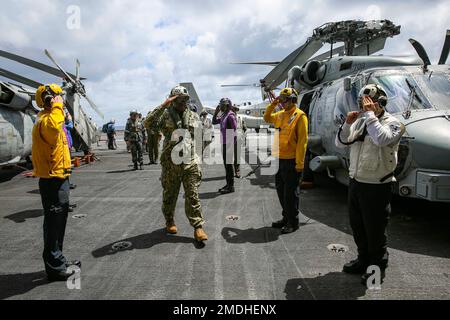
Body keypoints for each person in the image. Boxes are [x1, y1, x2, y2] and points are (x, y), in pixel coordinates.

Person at [335, 84, 404, 285]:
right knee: (358, 227)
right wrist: (348, 123)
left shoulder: (394, 123)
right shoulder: (361, 122)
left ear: (381, 102)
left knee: (375, 231)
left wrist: (371, 116)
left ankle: (376, 269)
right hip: (356, 182)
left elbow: (382, 139)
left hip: (376, 185)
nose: (364, 106)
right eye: (362, 102)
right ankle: (363, 260)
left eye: (369, 102)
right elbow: (341, 143)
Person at [145, 85, 208, 242]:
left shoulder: (194, 116)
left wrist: (198, 157)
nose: (182, 102)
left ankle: (198, 227)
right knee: (169, 195)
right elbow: (148, 124)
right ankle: (170, 220)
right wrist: (164, 104)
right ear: (172, 100)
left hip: (190, 162)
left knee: (192, 195)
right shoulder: (165, 115)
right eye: (178, 99)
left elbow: (202, 137)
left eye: (184, 99)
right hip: (171, 163)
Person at [32, 84, 80, 281]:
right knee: (53, 224)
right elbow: (52, 131)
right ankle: (54, 267)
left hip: (58, 176)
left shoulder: (53, 118)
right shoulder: (46, 120)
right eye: (58, 97)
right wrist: (58, 107)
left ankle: (58, 259)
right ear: (50, 100)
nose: (61, 100)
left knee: (59, 223)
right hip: (51, 180)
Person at [264, 88, 308, 234]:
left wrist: (300, 164)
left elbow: (302, 142)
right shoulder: (280, 115)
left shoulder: (300, 116)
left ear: (293, 100)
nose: (282, 103)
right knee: (281, 191)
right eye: (281, 100)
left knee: (290, 194)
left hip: (291, 161)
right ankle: (286, 217)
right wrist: (274, 103)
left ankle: (293, 222)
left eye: (285, 100)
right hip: (279, 160)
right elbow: (266, 117)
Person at [213, 98, 237, 194]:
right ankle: (228, 184)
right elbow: (214, 122)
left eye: (222, 105)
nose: (220, 107)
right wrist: (216, 112)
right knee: (226, 166)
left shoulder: (230, 116)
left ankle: (231, 186)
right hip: (224, 143)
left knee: (229, 165)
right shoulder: (224, 115)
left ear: (227, 105)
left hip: (229, 143)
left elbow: (235, 131)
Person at [232, 106, 247, 178]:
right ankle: (230, 171)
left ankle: (237, 171)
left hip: (238, 137)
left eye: (235, 110)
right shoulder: (228, 117)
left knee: (237, 156)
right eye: (232, 109)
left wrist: (244, 137)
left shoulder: (240, 117)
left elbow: (244, 128)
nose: (233, 111)